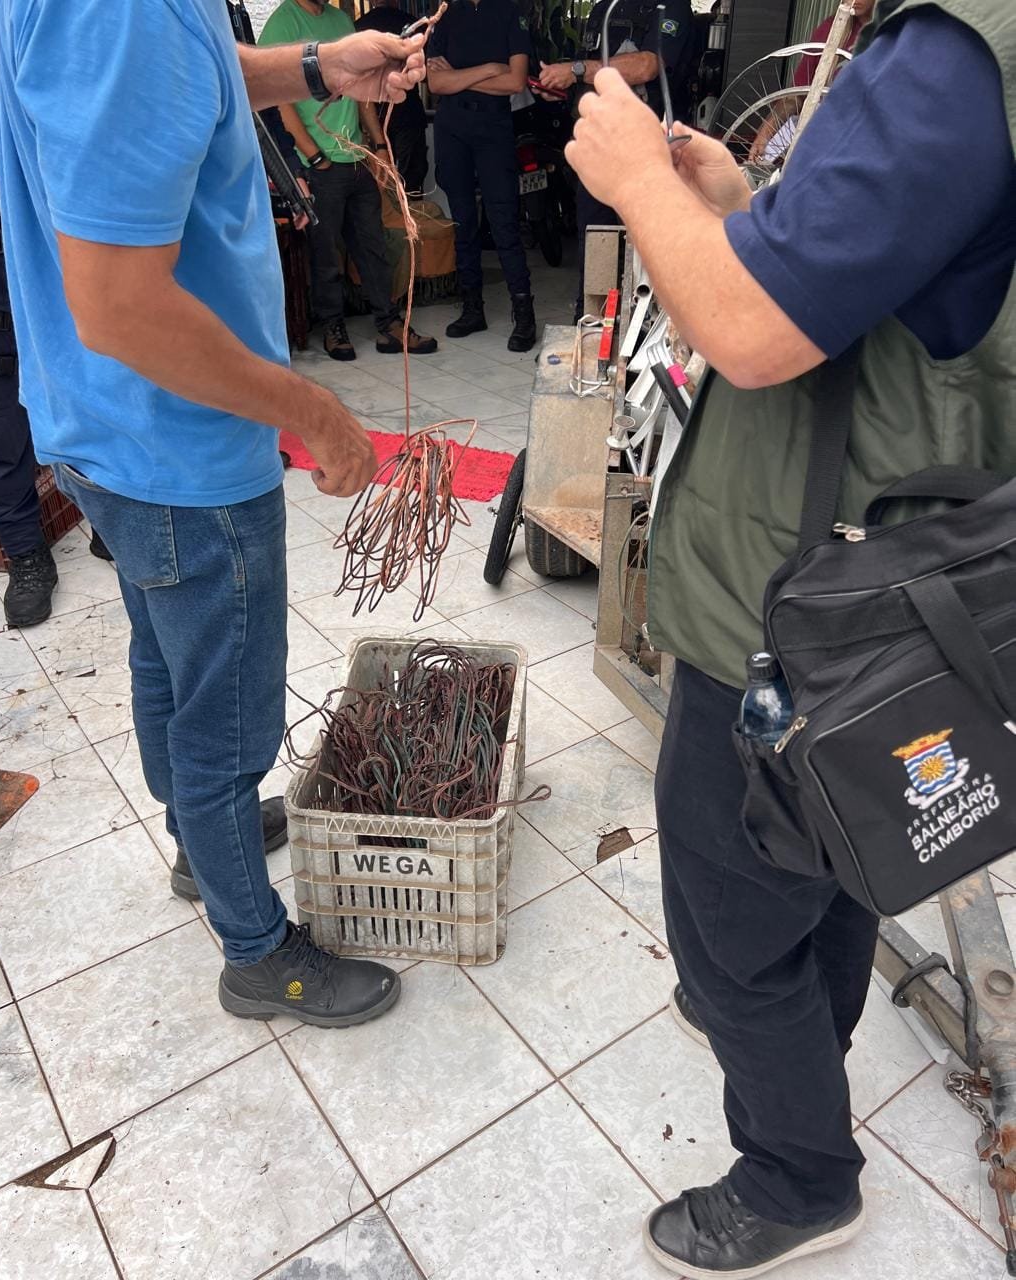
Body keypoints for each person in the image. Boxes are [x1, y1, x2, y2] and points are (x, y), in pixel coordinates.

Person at [566, 1, 1014, 1275]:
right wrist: (746, 192)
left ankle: (796, 1174)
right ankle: (803, 1056)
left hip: (800, 596)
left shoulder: (952, 52)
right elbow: (897, 260)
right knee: (827, 849)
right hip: (883, 579)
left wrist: (634, 184)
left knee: (719, 919)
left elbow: (754, 331)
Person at [0, 0, 427, 1027]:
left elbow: (188, 69)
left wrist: (318, 67)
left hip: (105, 424)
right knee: (225, 718)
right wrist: (315, 416)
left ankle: (203, 841)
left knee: (167, 657)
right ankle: (255, 945)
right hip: (175, 443)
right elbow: (121, 304)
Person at [0, 46, 111, 627]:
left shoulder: (20, 73)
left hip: (54, 284)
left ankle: (113, 525)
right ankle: (28, 559)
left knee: (95, 408)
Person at [259, 0, 437, 362]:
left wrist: (378, 144)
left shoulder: (341, 19)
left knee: (373, 247)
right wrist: (313, 156)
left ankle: (389, 325)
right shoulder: (281, 24)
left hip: (357, 158)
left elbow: (361, 92)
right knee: (325, 255)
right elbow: (279, 103)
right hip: (320, 162)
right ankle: (333, 327)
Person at [535, 0, 692, 320]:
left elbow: (648, 65)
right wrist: (567, 86)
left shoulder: (671, 8)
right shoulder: (604, 9)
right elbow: (597, 74)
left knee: (644, 253)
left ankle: (639, 340)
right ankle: (590, 327)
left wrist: (577, 70)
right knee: (596, 242)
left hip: (650, 153)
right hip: (601, 147)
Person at [427, 0, 537, 352]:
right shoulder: (447, 17)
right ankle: (472, 308)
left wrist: (459, 78)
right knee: (462, 221)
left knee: (504, 220)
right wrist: (490, 68)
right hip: (452, 127)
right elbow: (435, 84)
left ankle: (524, 315)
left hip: (493, 127)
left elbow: (516, 81)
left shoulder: (509, 13)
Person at [747, 0, 873, 164]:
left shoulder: (893, 35)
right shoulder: (831, 29)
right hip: (823, 141)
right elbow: (796, 95)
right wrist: (765, 133)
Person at [355, 0, 429, 195]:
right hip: (407, 111)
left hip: (372, 115)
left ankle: (387, 222)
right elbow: (429, 75)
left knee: (379, 184)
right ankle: (411, 220)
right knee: (410, 186)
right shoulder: (413, 25)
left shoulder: (358, 28)